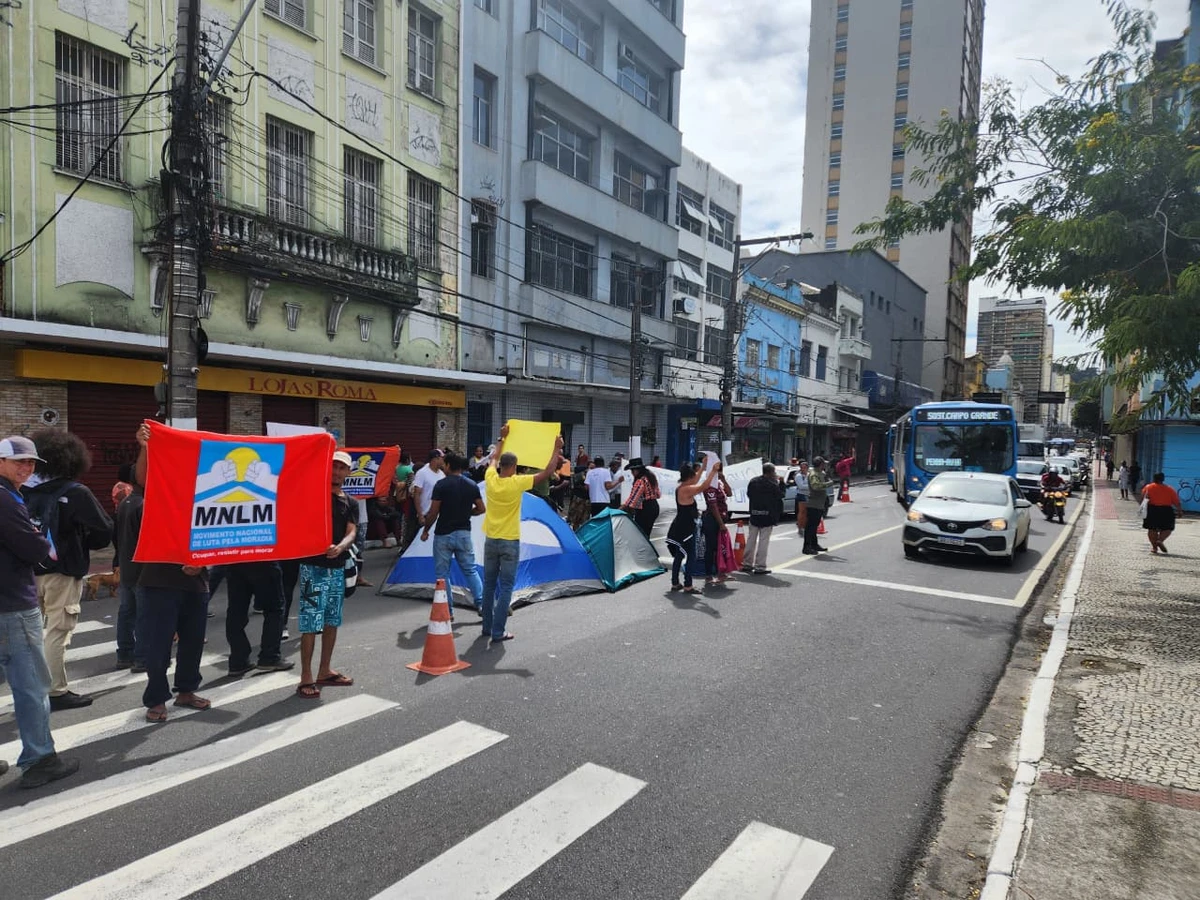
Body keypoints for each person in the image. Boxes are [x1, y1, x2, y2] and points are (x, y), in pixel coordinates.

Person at [0, 435, 81, 788]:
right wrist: (39, 540)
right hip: (12, 603)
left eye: (31, 463)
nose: (27, 468)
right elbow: (34, 548)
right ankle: (39, 759)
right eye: (19, 461)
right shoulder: (5, 499)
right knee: (32, 685)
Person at [22, 428, 113, 711]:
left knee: (30, 632)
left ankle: (29, 686)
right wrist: (84, 540)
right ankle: (56, 691)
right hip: (62, 570)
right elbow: (103, 530)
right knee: (58, 631)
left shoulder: (22, 489)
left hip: (26, 571)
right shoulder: (75, 492)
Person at [133, 424, 211, 723]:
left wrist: (204, 565)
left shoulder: (208, 498)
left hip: (196, 582)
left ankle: (187, 690)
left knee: (193, 641)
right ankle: (156, 699)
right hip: (158, 581)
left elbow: (225, 538)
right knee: (158, 645)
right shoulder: (160, 493)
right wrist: (145, 447)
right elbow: (143, 478)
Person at [480, 427, 563, 644]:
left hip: (490, 540)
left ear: (501, 467)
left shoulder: (490, 478)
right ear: (514, 467)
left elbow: (493, 458)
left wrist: (502, 437)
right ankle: (499, 632)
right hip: (509, 541)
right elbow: (546, 473)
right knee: (506, 586)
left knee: (488, 585)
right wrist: (556, 449)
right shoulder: (517, 483)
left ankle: (487, 628)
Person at [296, 450, 358, 699]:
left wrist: (341, 546)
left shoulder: (349, 502)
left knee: (332, 620)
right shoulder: (313, 495)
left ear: (348, 473)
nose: (337, 473)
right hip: (313, 567)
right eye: (333, 467)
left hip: (337, 568)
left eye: (342, 468)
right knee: (311, 623)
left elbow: (352, 530)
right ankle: (306, 676)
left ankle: (324, 669)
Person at [421, 453, 486, 617]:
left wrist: (426, 530)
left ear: (449, 465)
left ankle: (447, 611)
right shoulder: (471, 484)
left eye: (444, 464)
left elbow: (433, 512)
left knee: (442, 575)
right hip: (464, 533)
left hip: (443, 534)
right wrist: (467, 512)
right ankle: (482, 605)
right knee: (470, 570)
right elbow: (481, 508)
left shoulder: (441, 485)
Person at [224, 561, 293, 676]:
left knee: (236, 612)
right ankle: (269, 657)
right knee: (274, 610)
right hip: (263, 560)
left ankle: (238, 660)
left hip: (236, 562)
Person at [665, 462, 718, 594]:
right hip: (686, 528)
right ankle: (688, 585)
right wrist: (713, 471)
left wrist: (704, 466)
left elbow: (695, 480)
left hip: (681, 525)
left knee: (679, 555)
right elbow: (703, 486)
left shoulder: (682, 487)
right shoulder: (686, 489)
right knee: (691, 556)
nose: (694, 479)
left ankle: (675, 583)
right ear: (688, 477)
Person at [113, 480, 146, 672]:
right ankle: (142, 657)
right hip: (142, 569)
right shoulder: (143, 504)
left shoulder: (126, 503)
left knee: (126, 613)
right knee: (144, 614)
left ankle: (124, 655)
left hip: (127, 567)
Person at [745, 463, 785, 575]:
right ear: (771, 472)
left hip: (754, 513)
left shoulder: (753, 481)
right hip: (767, 516)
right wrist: (781, 483)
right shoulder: (772, 484)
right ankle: (760, 566)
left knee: (751, 540)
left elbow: (749, 495)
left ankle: (747, 563)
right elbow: (781, 495)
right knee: (763, 542)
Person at [701, 462, 733, 586]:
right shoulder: (709, 486)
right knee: (711, 548)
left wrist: (724, 479)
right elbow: (713, 506)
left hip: (721, 518)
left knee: (721, 547)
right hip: (712, 520)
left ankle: (721, 572)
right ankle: (709, 575)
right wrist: (721, 524)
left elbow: (729, 493)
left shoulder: (719, 484)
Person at [1142, 473, 1183, 555]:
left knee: (1151, 529)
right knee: (1168, 528)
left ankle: (1154, 548)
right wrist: (1179, 511)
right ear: (1163, 479)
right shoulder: (1170, 489)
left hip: (1152, 509)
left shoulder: (1148, 487)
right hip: (1166, 510)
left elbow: (1143, 498)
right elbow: (1176, 502)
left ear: (1154, 478)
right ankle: (1160, 540)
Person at [621, 458, 661, 537]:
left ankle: (643, 549)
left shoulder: (640, 481)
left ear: (637, 470)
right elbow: (658, 494)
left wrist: (621, 508)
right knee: (646, 533)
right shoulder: (650, 476)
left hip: (646, 509)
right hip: (654, 506)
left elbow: (633, 499)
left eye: (632, 470)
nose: (632, 473)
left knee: (641, 534)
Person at [803, 457, 832, 555]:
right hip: (814, 503)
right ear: (820, 464)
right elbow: (816, 486)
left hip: (819, 503)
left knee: (814, 526)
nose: (825, 466)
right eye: (823, 464)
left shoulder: (821, 473)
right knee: (810, 527)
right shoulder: (814, 474)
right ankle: (807, 546)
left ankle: (814, 544)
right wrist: (828, 484)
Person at [411, 450, 445, 531]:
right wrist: (420, 515)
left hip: (438, 515)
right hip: (425, 514)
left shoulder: (442, 474)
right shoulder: (422, 473)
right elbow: (417, 494)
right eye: (442, 458)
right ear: (435, 459)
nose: (443, 460)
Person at [793, 460, 810, 535]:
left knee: (806, 512)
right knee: (802, 512)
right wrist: (810, 486)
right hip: (801, 495)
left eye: (805, 467)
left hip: (809, 495)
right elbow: (801, 486)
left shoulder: (809, 475)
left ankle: (804, 526)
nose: (803, 469)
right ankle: (800, 527)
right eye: (802, 467)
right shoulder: (798, 476)